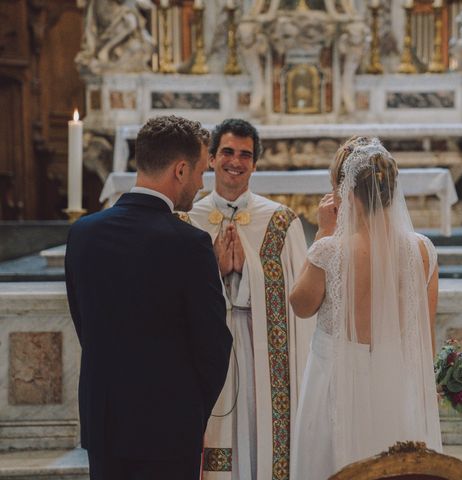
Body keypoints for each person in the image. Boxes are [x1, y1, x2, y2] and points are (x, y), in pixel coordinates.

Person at [65, 115, 232, 480]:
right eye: (202, 172)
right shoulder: (190, 243)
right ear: (181, 170)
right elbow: (213, 345)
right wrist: (190, 409)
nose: (202, 184)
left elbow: (85, 325)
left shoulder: (83, 234)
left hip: (105, 418)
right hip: (169, 426)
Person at [289, 136, 442, 479]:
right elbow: (425, 339)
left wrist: (323, 233)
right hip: (396, 385)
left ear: (346, 192)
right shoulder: (423, 251)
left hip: (334, 386)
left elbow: (300, 304)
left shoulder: (331, 250)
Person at [188, 119, 314, 480]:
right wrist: (211, 268)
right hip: (204, 349)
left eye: (245, 155)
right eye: (227, 152)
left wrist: (247, 273)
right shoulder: (187, 219)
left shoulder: (280, 221)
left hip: (261, 350)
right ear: (211, 159)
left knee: (257, 427)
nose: (236, 162)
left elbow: (299, 299)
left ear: (255, 164)